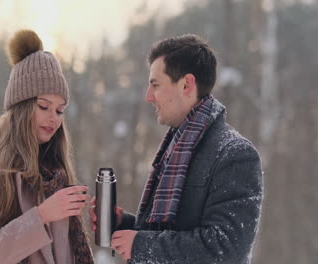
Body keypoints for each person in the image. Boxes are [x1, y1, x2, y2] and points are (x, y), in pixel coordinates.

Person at [90, 34, 263, 264]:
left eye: (155, 84)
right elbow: (174, 228)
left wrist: (140, 245)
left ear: (186, 84)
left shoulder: (236, 155)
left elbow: (225, 249)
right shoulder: (177, 147)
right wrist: (126, 226)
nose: (148, 96)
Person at [0, 29, 93, 264]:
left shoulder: (56, 174)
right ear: (21, 107)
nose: (54, 118)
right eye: (44, 106)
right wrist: (41, 216)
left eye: (60, 110)